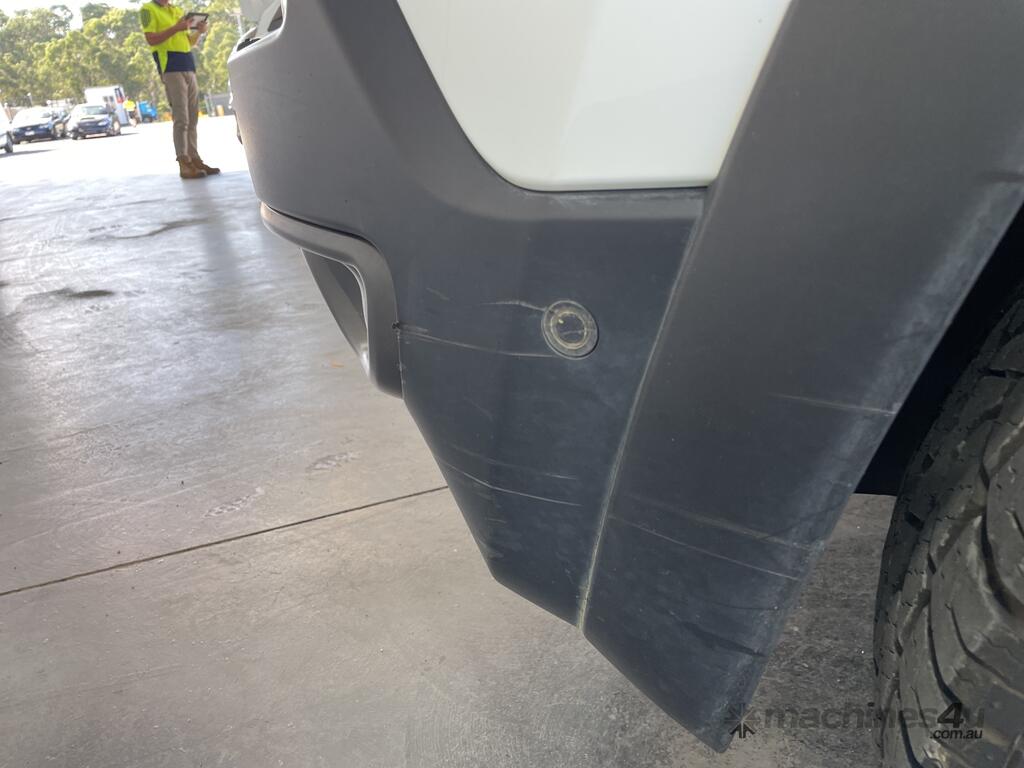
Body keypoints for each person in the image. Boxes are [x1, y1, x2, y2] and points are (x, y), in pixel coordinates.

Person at [139, 1, 220, 179]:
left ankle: (194, 159)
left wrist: (199, 31)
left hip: (188, 64)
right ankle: (184, 162)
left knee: (192, 117)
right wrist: (176, 28)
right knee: (181, 117)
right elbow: (151, 39)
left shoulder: (176, 10)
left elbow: (188, 42)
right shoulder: (148, 9)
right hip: (170, 66)